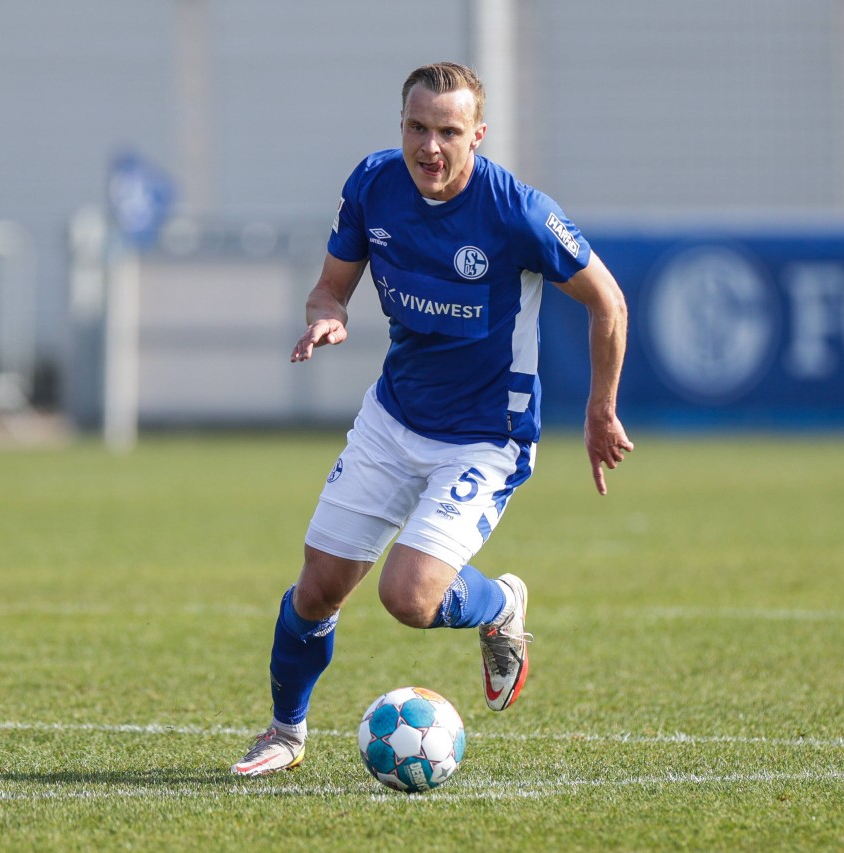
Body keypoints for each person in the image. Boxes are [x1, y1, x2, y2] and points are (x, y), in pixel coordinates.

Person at [231, 61, 632, 776]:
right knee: (316, 587)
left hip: (485, 436)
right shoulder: (373, 185)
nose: (431, 147)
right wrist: (326, 319)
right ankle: (284, 733)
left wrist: (600, 409)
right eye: (418, 127)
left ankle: (500, 603)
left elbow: (608, 300)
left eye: (449, 131)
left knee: (409, 597)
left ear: (478, 136)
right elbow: (329, 290)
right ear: (402, 127)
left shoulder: (518, 212)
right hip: (393, 418)